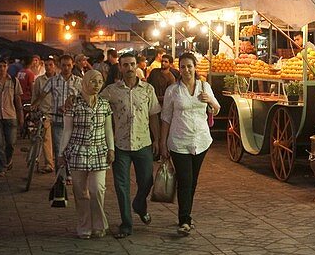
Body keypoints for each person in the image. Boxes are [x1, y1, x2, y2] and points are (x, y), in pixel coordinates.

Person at [158, 52, 219, 235]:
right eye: (183, 66)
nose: (186, 70)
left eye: (189, 66)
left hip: (200, 140)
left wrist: (209, 102)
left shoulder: (204, 86)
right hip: (179, 140)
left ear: (195, 67)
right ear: (179, 69)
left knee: (193, 181)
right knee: (185, 179)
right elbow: (166, 117)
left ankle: (186, 214)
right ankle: (184, 220)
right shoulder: (173, 91)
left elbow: (216, 109)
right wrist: (162, 143)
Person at [102, 52, 161, 238]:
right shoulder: (111, 91)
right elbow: (95, 102)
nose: (129, 68)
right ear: (120, 67)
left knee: (146, 181)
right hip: (120, 144)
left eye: (132, 64)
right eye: (125, 65)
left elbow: (154, 115)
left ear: (138, 67)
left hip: (143, 142)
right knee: (121, 185)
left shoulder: (147, 89)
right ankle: (126, 223)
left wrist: (158, 139)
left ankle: (139, 204)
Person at [58, 70, 113, 239]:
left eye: (99, 81)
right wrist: (61, 152)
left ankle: (99, 224)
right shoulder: (73, 104)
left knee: (97, 189)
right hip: (77, 151)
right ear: (85, 82)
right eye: (93, 81)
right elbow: (67, 130)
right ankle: (84, 226)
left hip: (99, 151)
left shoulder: (104, 104)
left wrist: (111, 149)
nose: (96, 85)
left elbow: (108, 129)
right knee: (80, 191)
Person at [43, 55, 82, 164]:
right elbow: (42, 94)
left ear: (72, 65)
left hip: (73, 121)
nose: (66, 68)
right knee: (59, 150)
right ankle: (60, 177)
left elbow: (83, 98)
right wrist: (35, 105)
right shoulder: (53, 81)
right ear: (60, 65)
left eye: (68, 65)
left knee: (72, 149)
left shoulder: (78, 81)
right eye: (64, 65)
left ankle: (69, 174)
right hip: (58, 120)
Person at [29, 56, 58, 173]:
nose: (48, 67)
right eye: (46, 65)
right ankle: (49, 164)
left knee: (58, 140)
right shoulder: (39, 80)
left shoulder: (60, 80)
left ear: (54, 66)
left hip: (58, 114)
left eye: (51, 65)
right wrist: (33, 110)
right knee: (46, 139)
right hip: (44, 113)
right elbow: (35, 97)